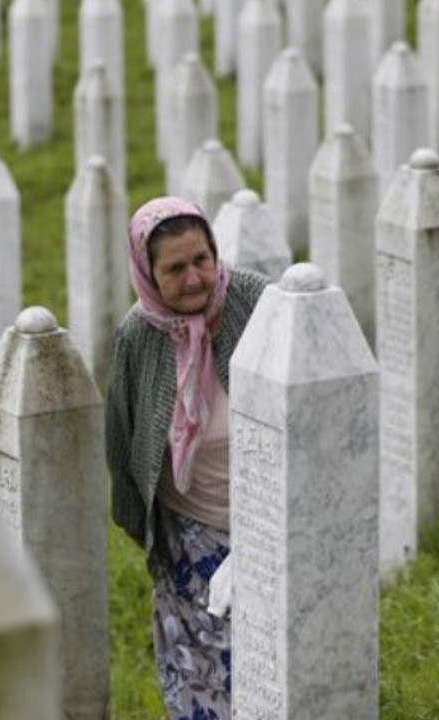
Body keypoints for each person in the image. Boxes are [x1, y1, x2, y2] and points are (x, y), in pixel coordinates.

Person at [106, 196, 269, 720]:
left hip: (267, 522)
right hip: (188, 538)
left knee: (269, 674)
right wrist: (144, 531)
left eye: (202, 259)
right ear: (147, 272)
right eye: (175, 268)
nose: (195, 278)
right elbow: (122, 439)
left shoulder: (256, 303)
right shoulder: (137, 336)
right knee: (201, 683)